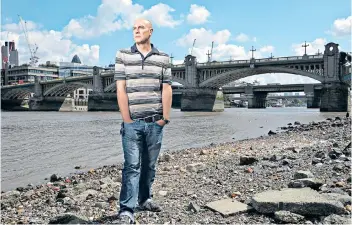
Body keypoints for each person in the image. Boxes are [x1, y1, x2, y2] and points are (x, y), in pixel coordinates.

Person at [114, 18, 173, 224]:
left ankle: (145, 199)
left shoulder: (163, 58)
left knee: (150, 165)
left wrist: (165, 118)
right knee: (132, 166)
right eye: (134, 28)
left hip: (155, 122)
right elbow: (120, 89)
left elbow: (166, 88)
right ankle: (127, 210)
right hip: (133, 123)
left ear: (151, 31)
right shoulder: (122, 55)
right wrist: (126, 119)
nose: (136, 31)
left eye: (141, 28)